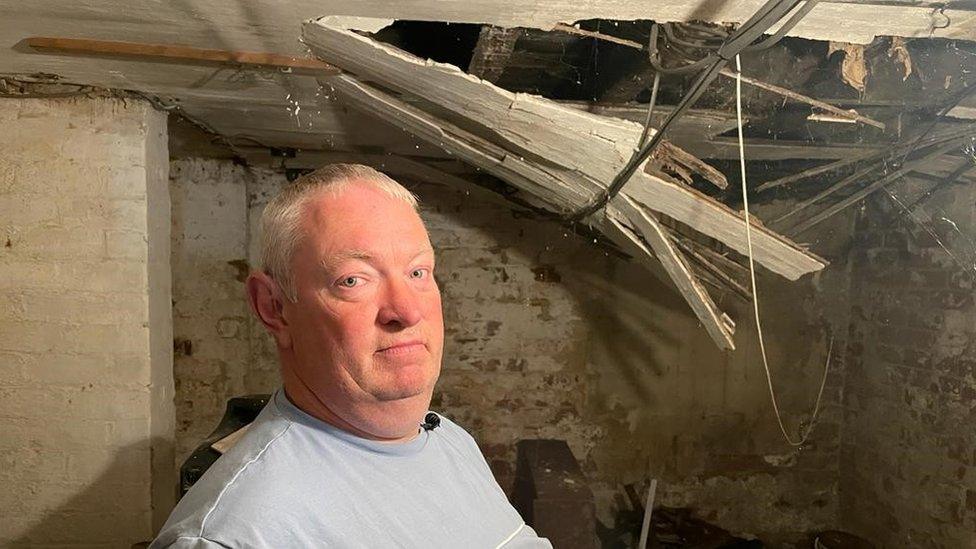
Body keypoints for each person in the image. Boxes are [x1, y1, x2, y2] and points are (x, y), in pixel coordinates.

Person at [151, 164, 551, 548]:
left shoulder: (450, 442)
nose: (407, 311)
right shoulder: (239, 534)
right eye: (353, 280)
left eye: (417, 272)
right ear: (273, 307)